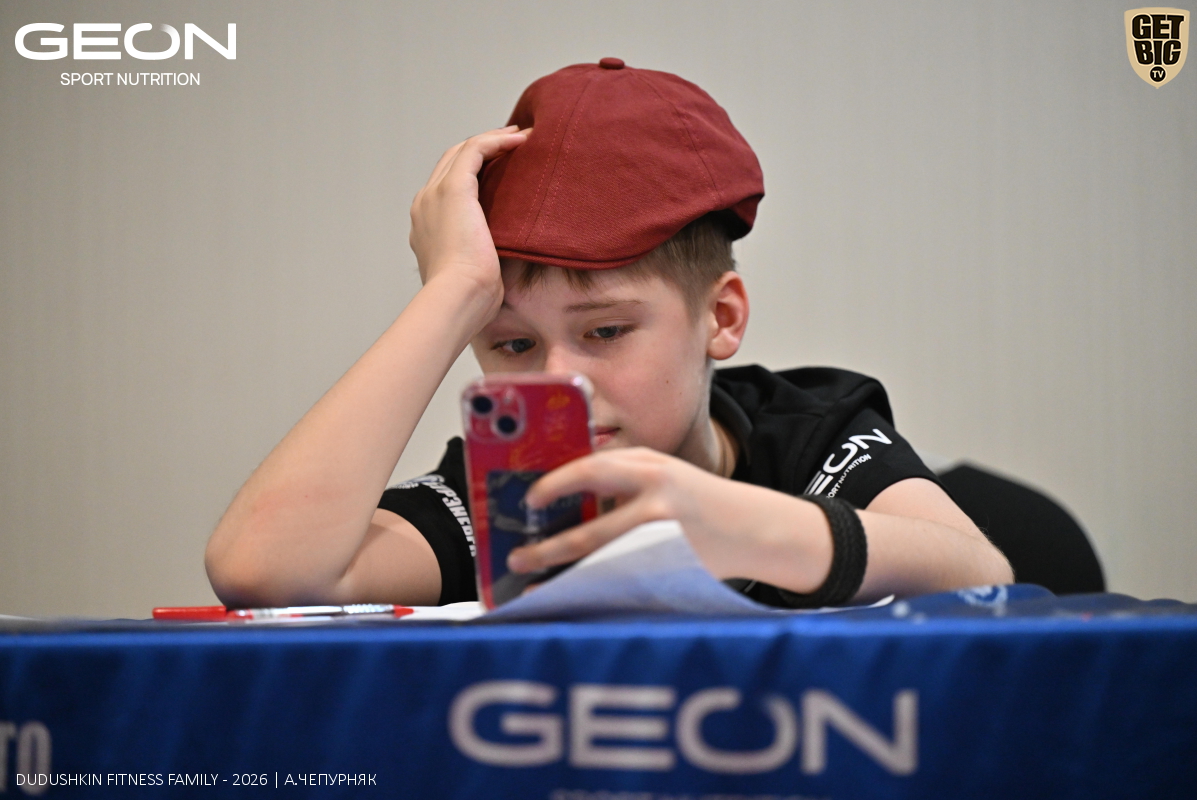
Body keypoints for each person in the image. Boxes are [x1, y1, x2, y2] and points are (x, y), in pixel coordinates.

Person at [204, 59, 1013, 610]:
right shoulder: (509, 494)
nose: (559, 379)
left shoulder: (810, 430)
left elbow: (983, 572)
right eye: (512, 344)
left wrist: (741, 526)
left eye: (607, 330)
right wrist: (453, 293)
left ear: (722, 318)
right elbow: (262, 570)